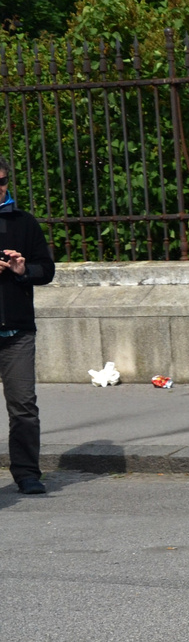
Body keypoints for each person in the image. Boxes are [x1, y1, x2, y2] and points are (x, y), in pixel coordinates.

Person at [0, 158, 55, 495]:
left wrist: (23, 270)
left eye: (2, 182)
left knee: (23, 406)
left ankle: (27, 472)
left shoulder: (24, 222)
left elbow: (46, 269)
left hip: (16, 330)